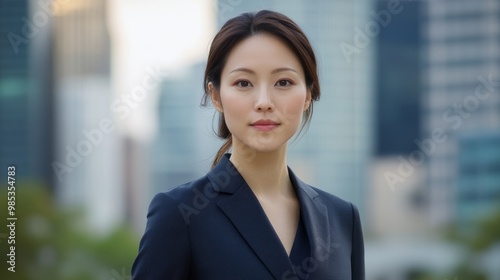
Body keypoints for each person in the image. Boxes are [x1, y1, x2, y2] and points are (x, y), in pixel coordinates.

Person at [131, 10, 364, 280]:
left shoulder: (342, 218)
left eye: (283, 82)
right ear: (216, 96)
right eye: (243, 83)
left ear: (307, 96)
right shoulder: (180, 214)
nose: (264, 101)